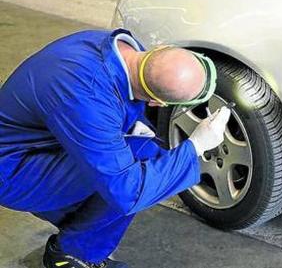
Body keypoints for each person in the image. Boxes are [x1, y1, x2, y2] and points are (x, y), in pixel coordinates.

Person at [0, 29, 231, 268]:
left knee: (138, 155)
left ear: (159, 48)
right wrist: (195, 147)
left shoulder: (116, 46)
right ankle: (72, 255)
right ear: (157, 103)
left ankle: (80, 230)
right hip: (12, 170)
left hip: (44, 142)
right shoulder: (86, 96)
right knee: (140, 166)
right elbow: (128, 192)